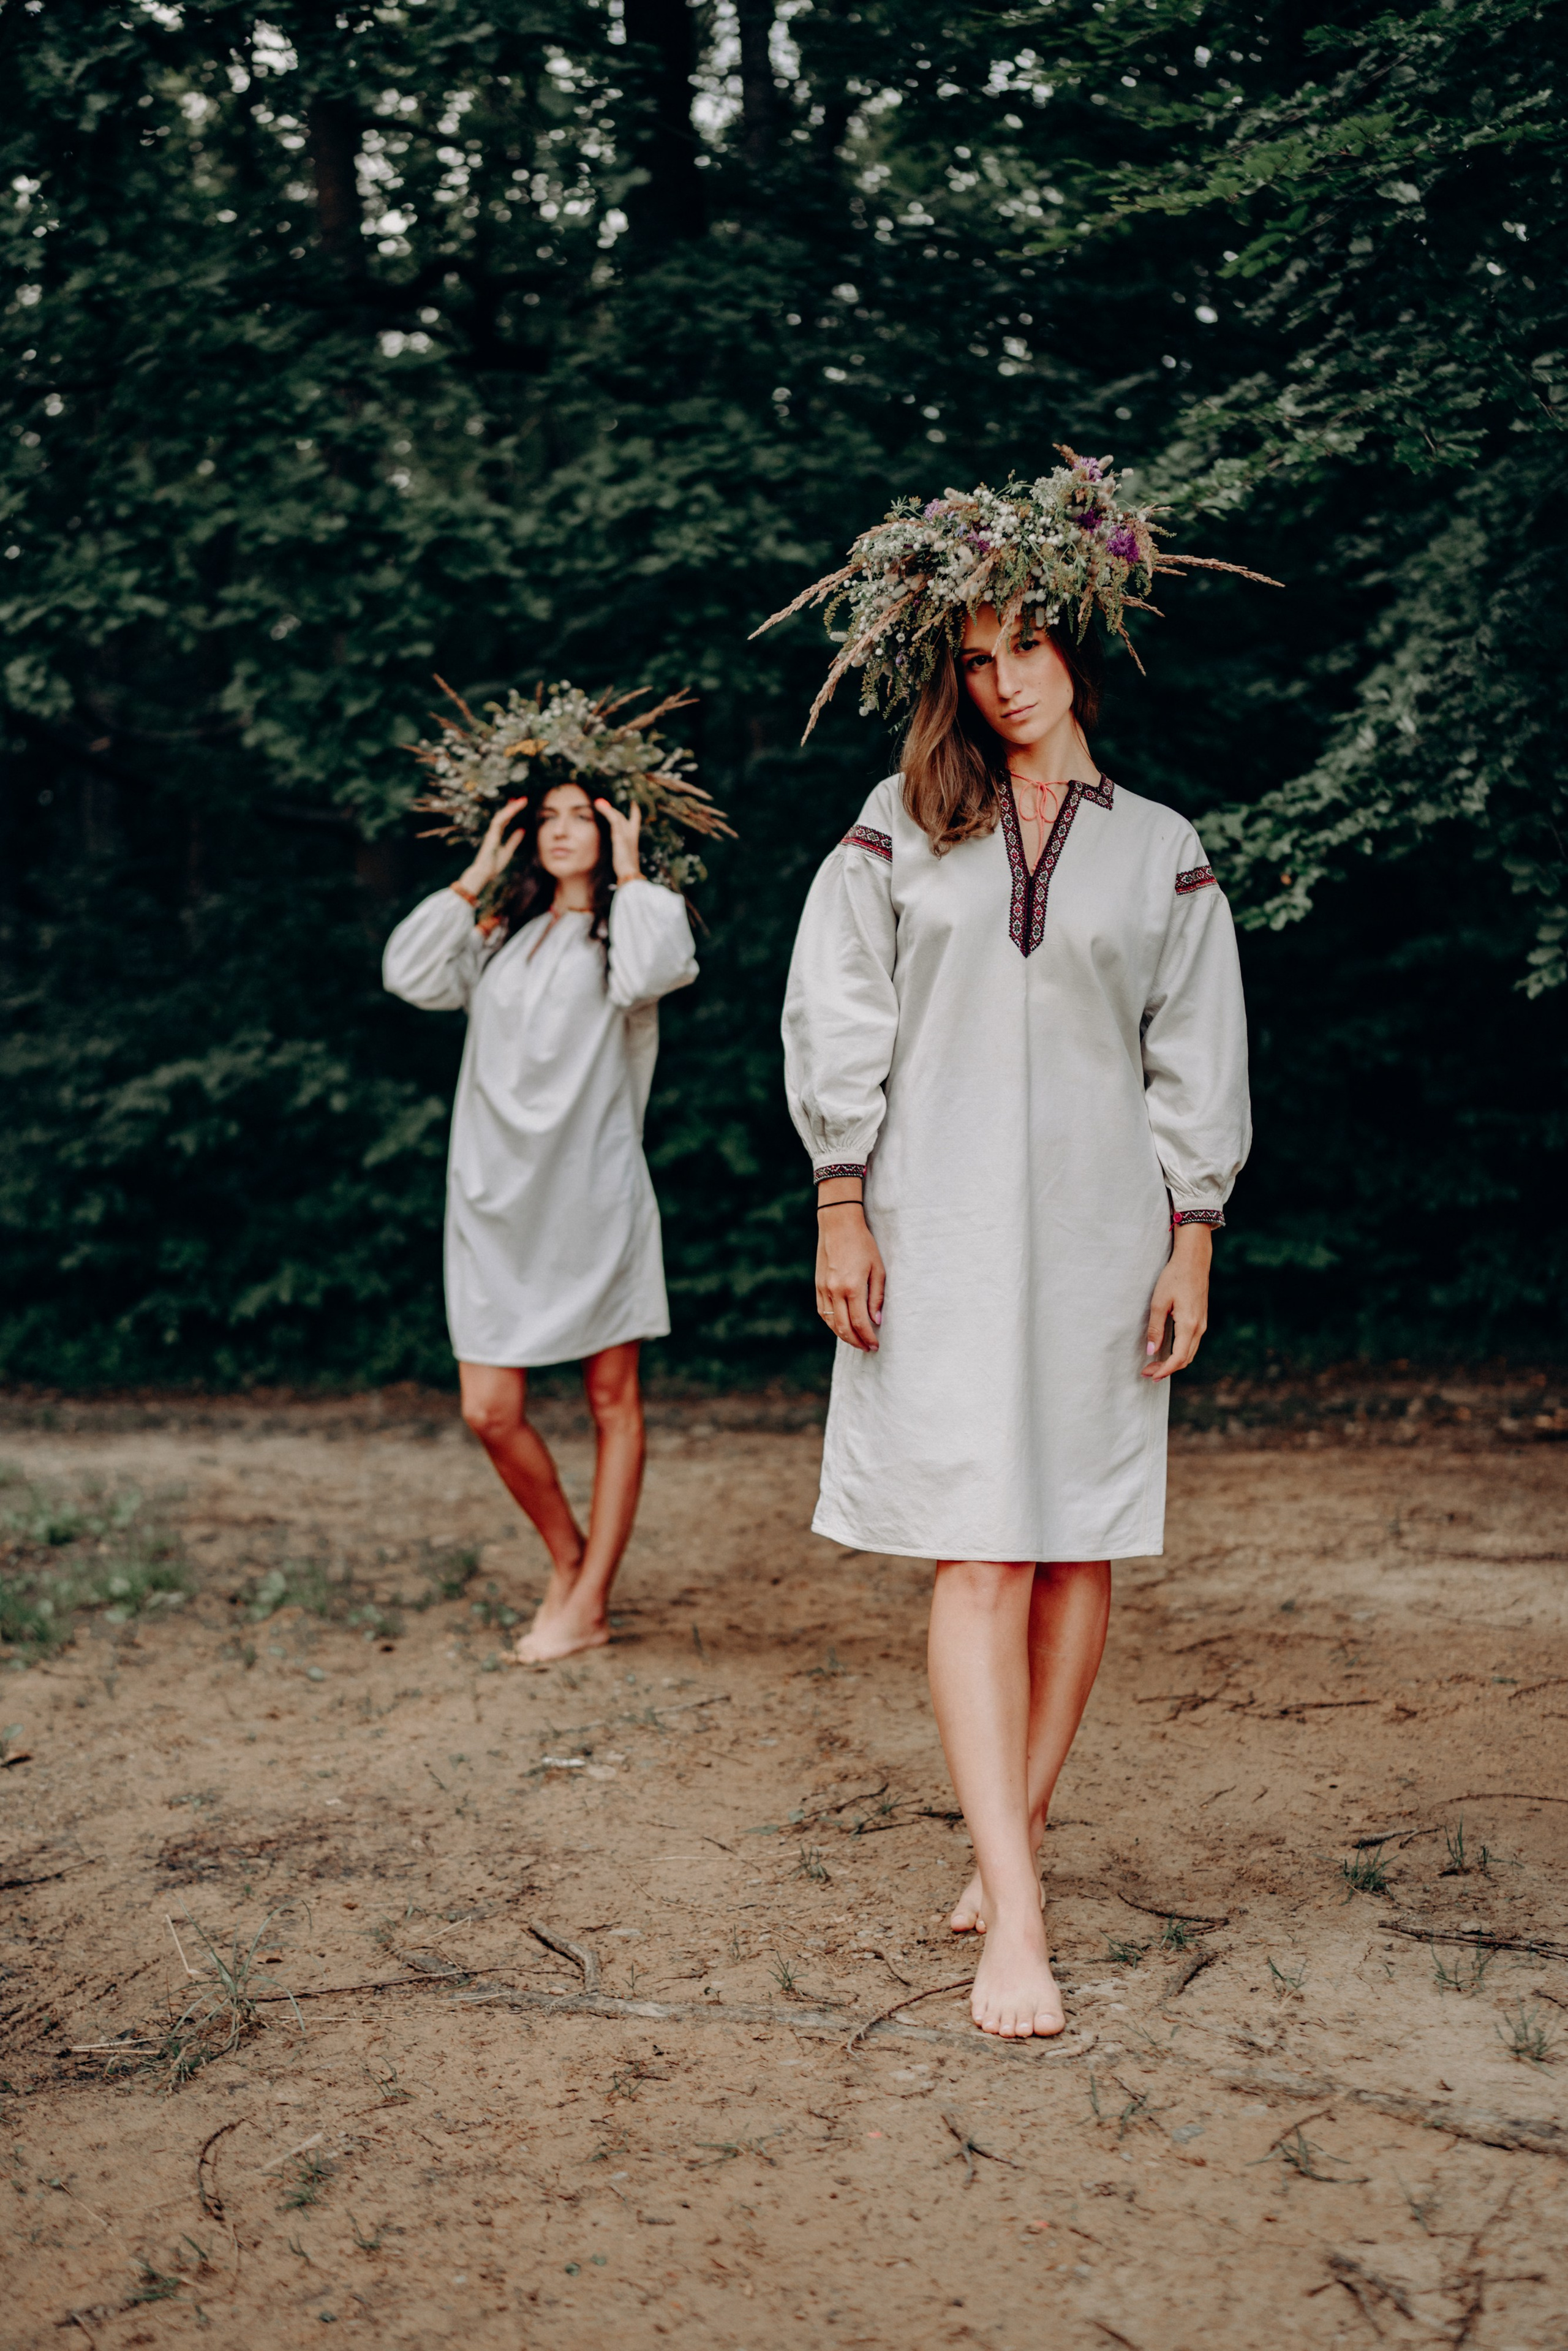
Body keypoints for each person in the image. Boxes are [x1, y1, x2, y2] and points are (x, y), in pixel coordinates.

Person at [773, 462, 1256, 2038]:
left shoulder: (1160, 846)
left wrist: (1190, 1237)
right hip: (942, 1222)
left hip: (1105, 1230)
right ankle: (1016, 1913)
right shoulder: (898, 824)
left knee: (1072, 1544)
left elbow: (1195, 1054)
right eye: (974, 659)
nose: (1003, 681)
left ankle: (1013, 1838)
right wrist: (839, 1195)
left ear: (1077, 649)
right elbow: (837, 1015)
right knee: (975, 1544)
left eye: (1027, 648)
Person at [383, 778, 697, 1664]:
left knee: (612, 1401)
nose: (563, 832)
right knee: (490, 1409)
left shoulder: (628, 931)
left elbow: (655, 968)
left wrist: (631, 871)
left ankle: (591, 1597)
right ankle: (570, 1555)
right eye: (546, 819)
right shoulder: (497, 940)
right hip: (491, 1204)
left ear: (613, 825)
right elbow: (406, 971)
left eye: (582, 816)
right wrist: (478, 871)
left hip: (593, 1198)